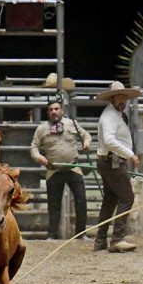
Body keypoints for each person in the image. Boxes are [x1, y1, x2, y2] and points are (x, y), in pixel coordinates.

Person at [30, 100, 92, 240]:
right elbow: (33, 146)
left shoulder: (72, 124)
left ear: (61, 110)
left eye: (56, 109)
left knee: (81, 199)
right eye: (51, 109)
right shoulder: (42, 129)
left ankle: (81, 233)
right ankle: (52, 234)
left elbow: (86, 135)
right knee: (53, 204)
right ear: (48, 112)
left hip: (73, 167)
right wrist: (38, 156)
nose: (54, 112)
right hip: (53, 170)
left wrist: (87, 143)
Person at [93, 81, 143, 253]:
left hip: (110, 161)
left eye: (124, 97)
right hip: (112, 162)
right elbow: (109, 140)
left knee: (110, 200)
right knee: (127, 197)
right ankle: (117, 238)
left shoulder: (115, 115)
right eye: (119, 96)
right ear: (112, 98)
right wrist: (130, 155)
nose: (122, 100)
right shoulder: (109, 117)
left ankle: (101, 240)